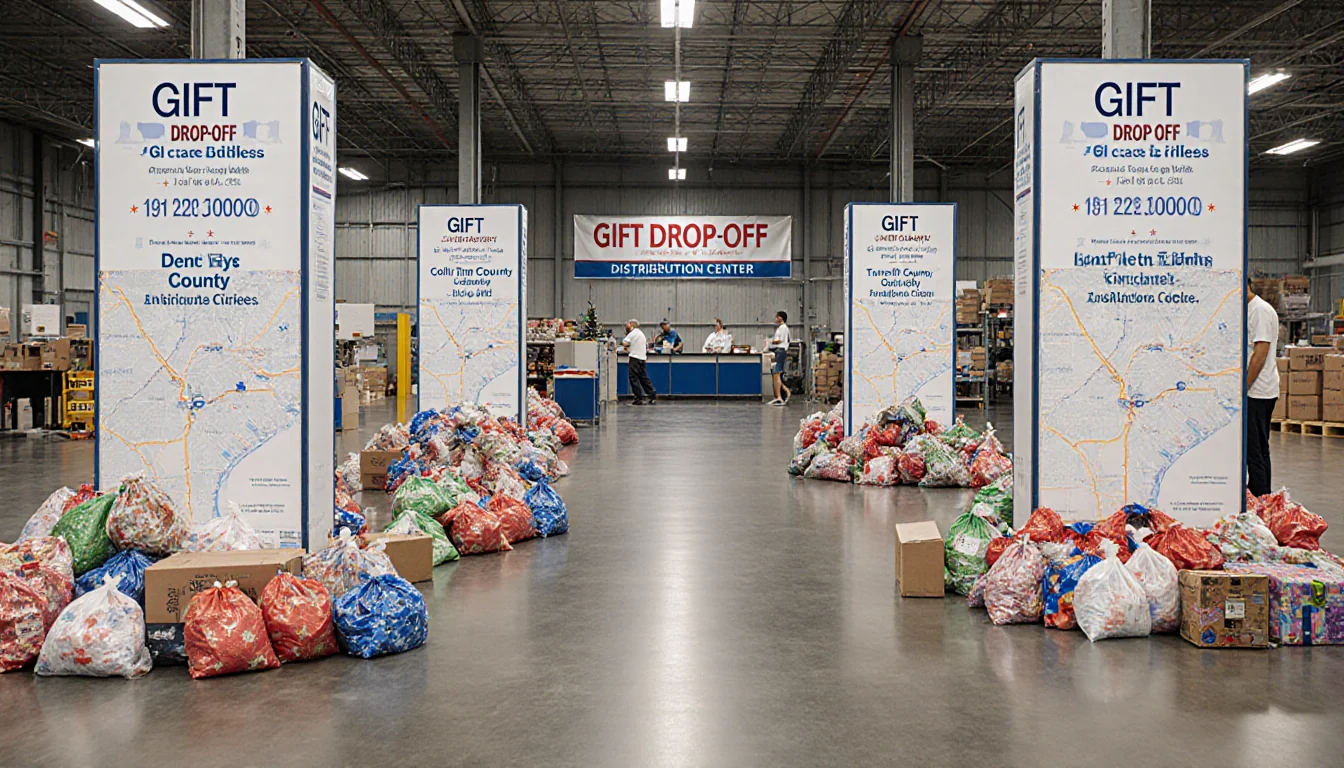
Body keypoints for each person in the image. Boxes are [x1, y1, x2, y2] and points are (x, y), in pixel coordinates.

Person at [1245, 277, 1280, 497]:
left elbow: (1260, 353)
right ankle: (1262, 494)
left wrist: (1243, 387)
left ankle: (1260, 496)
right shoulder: (1250, 310)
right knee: (1258, 448)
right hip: (1256, 390)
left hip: (1258, 392)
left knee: (1254, 451)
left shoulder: (1260, 311)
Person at [623, 319, 657, 405]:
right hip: (642, 358)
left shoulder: (633, 332)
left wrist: (627, 345)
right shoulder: (640, 333)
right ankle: (652, 394)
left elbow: (624, 343)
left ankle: (638, 398)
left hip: (634, 358)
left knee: (633, 378)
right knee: (643, 378)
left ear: (632, 324)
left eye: (628, 324)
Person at [767, 310, 792, 406]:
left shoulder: (783, 328)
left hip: (781, 350)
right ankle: (783, 393)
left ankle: (779, 397)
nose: (776, 319)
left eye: (777, 317)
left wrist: (771, 341)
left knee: (776, 373)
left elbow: (779, 340)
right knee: (776, 374)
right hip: (779, 351)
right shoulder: (782, 328)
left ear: (781, 318)